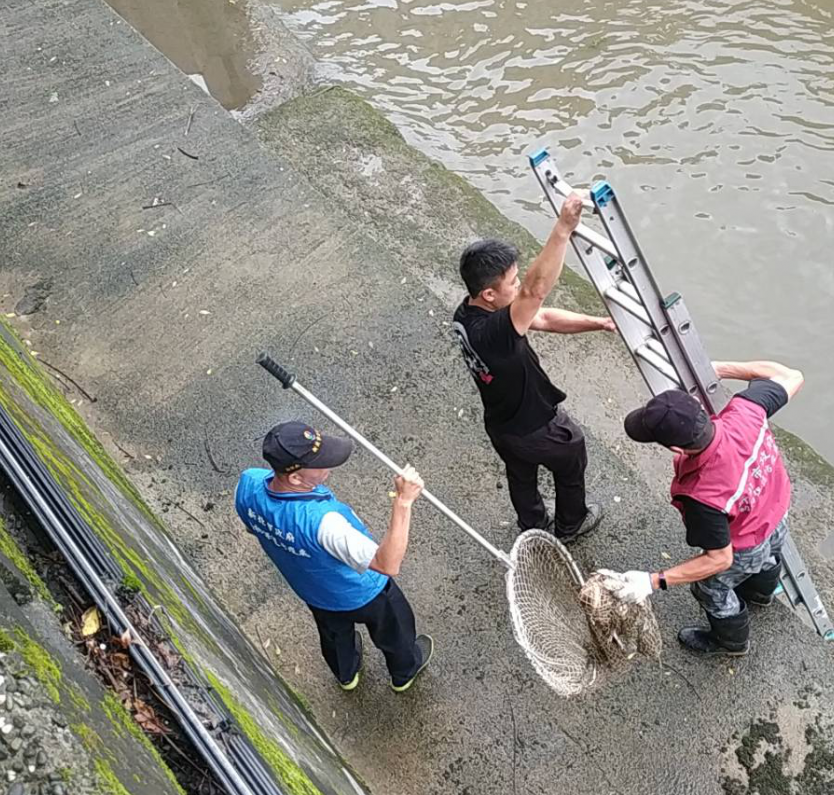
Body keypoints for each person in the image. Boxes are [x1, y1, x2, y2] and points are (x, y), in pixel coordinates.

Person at [599, 359, 805, 656]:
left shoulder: (701, 495)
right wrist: (720, 368)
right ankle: (760, 594)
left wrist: (653, 581)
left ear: (677, 449)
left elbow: (719, 560)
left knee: (710, 588)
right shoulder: (746, 411)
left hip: (746, 541)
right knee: (771, 553)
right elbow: (791, 374)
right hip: (777, 509)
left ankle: (731, 642)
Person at [452, 192, 612, 543]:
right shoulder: (495, 333)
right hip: (535, 426)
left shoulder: (467, 314)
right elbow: (535, 292)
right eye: (511, 282)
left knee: (520, 475)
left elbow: (541, 316)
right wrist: (562, 229)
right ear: (489, 294)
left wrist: (597, 322)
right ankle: (572, 524)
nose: (518, 283)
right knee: (572, 456)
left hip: (502, 425)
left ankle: (533, 524)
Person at [234, 421, 433, 692]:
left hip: (315, 593)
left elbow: (253, 527)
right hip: (365, 592)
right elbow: (387, 563)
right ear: (295, 478)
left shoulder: (248, 484)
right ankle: (403, 672)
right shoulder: (326, 524)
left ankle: (346, 674)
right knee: (395, 630)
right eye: (320, 463)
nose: (328, 466)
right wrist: (404, 502)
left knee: (333, 635)